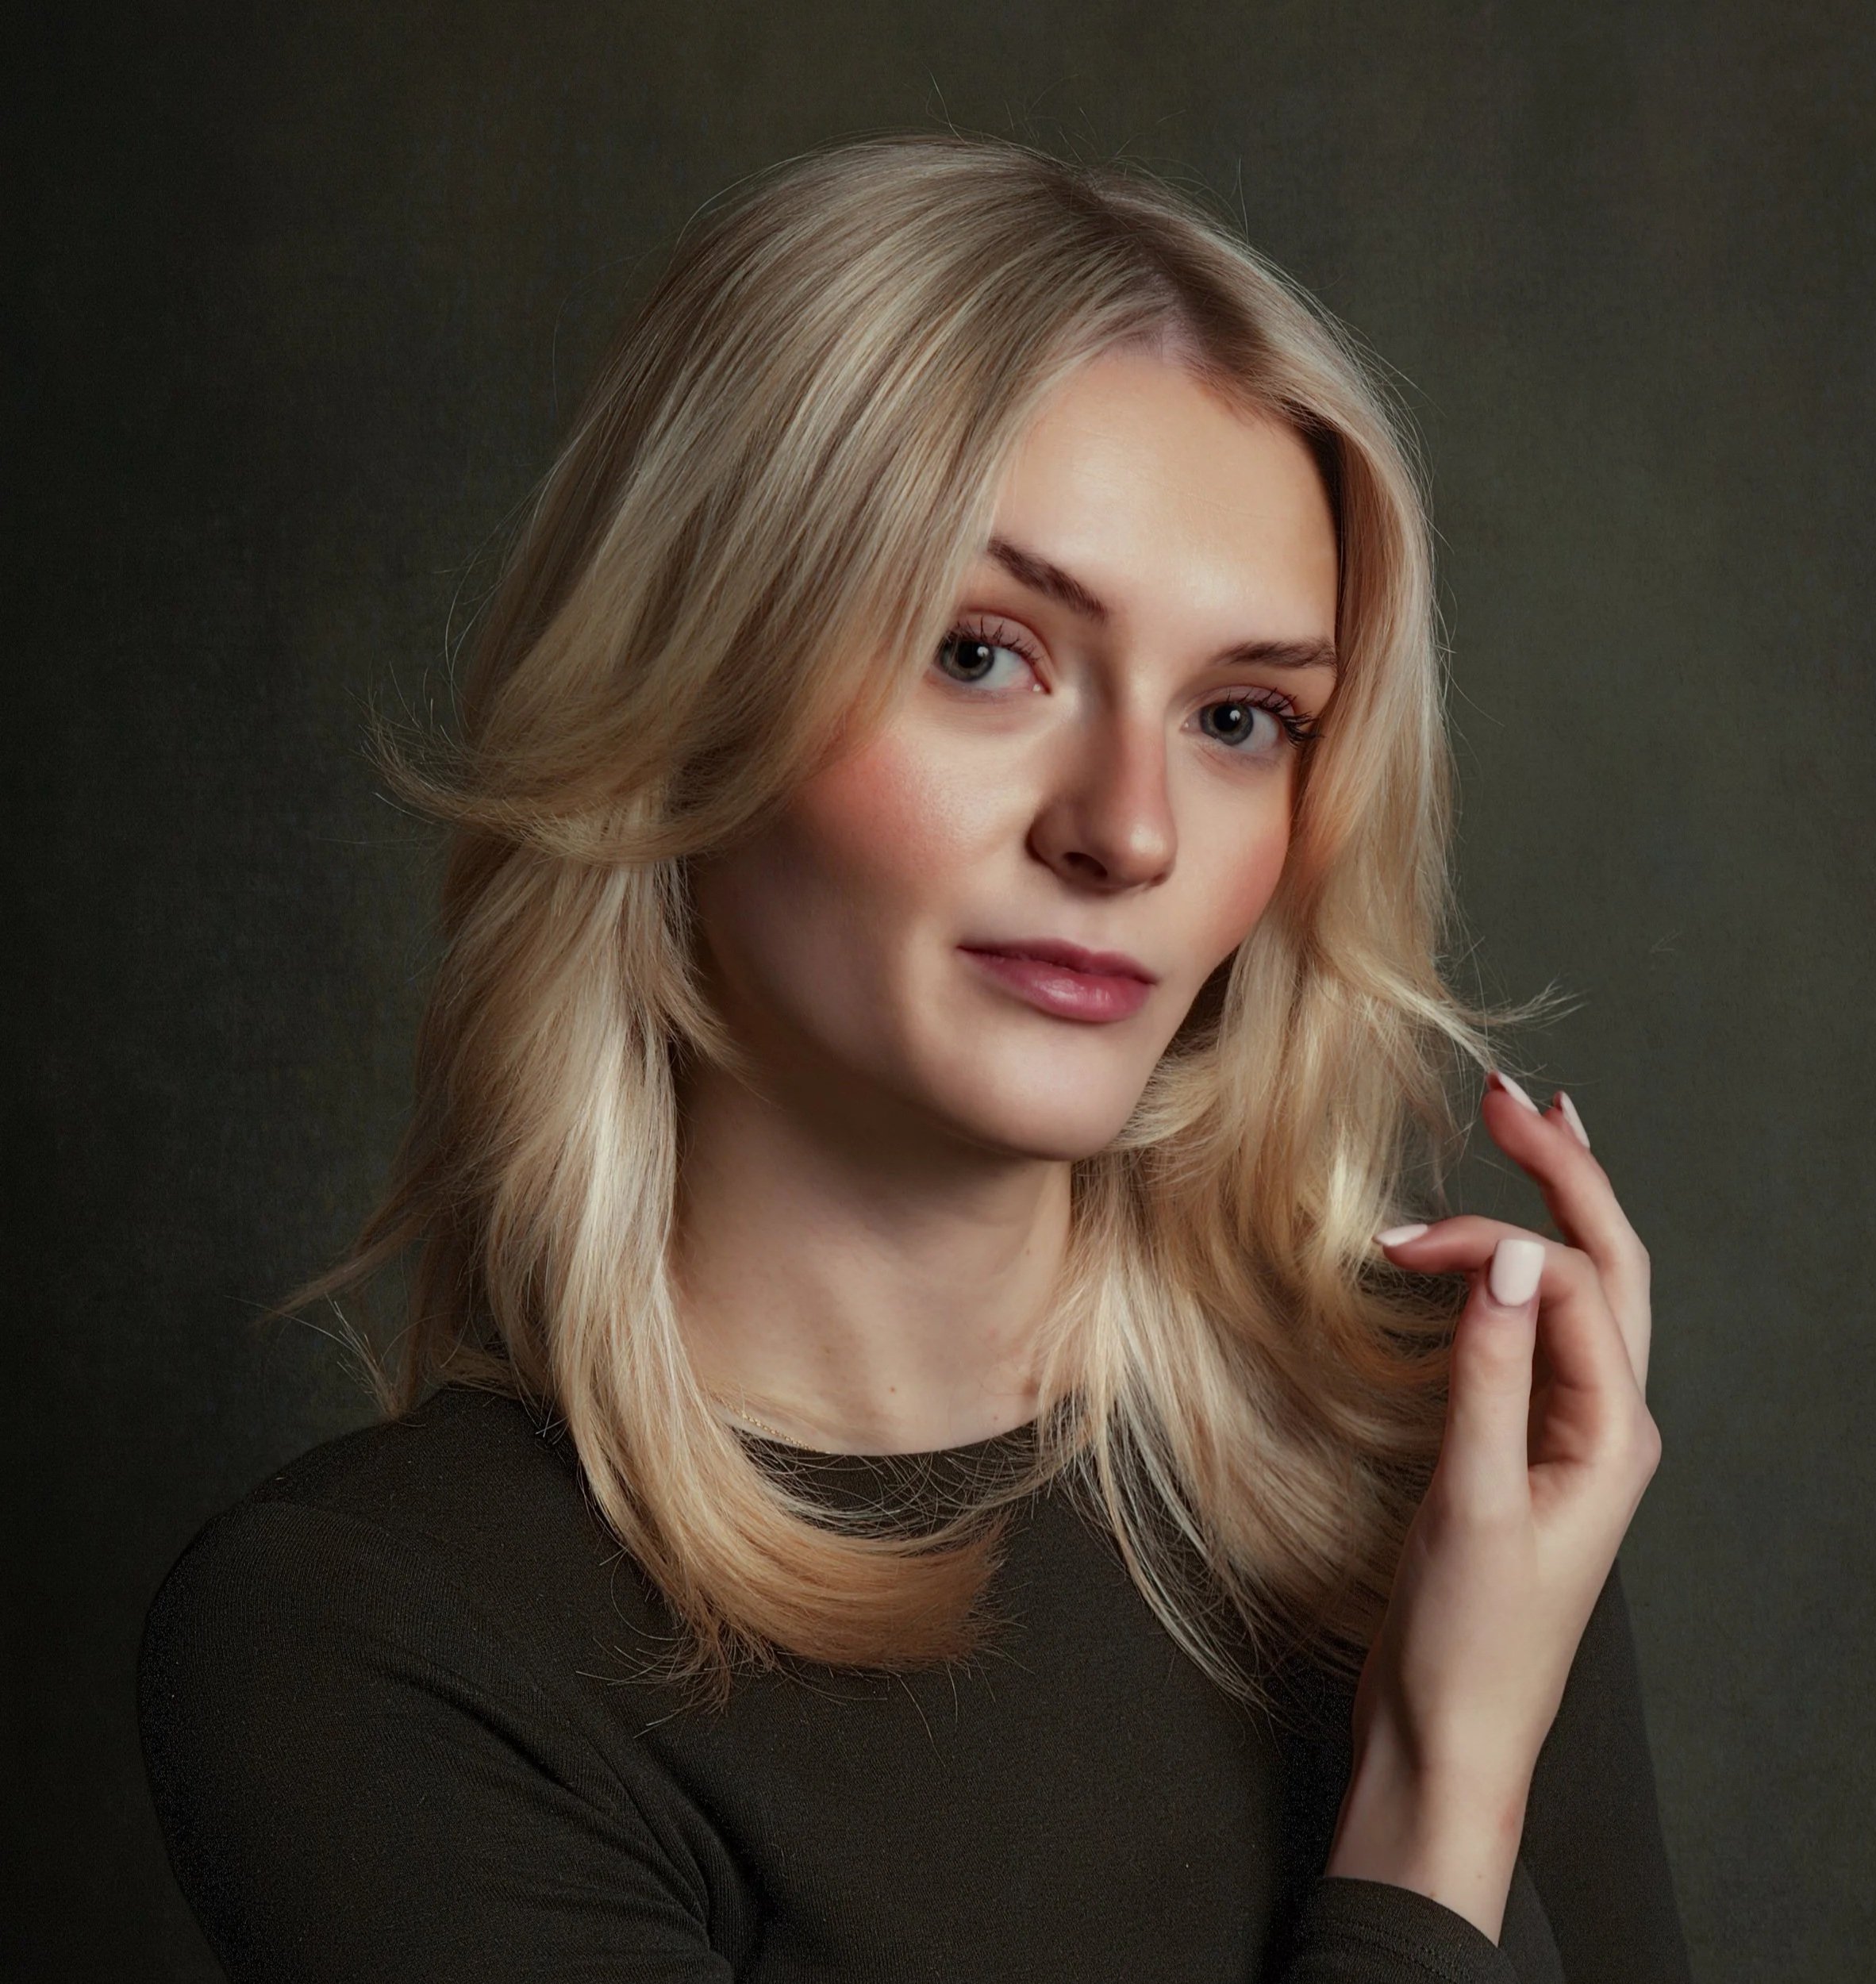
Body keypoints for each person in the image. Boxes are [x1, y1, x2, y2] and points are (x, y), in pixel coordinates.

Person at [137, 129, 1691, 1982]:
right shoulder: (377, 1638)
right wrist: (1436, 1802)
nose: (1128, 830)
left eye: (1240, 714)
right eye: (982, 653)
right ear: (694, 674)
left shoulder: (1433, 1450)